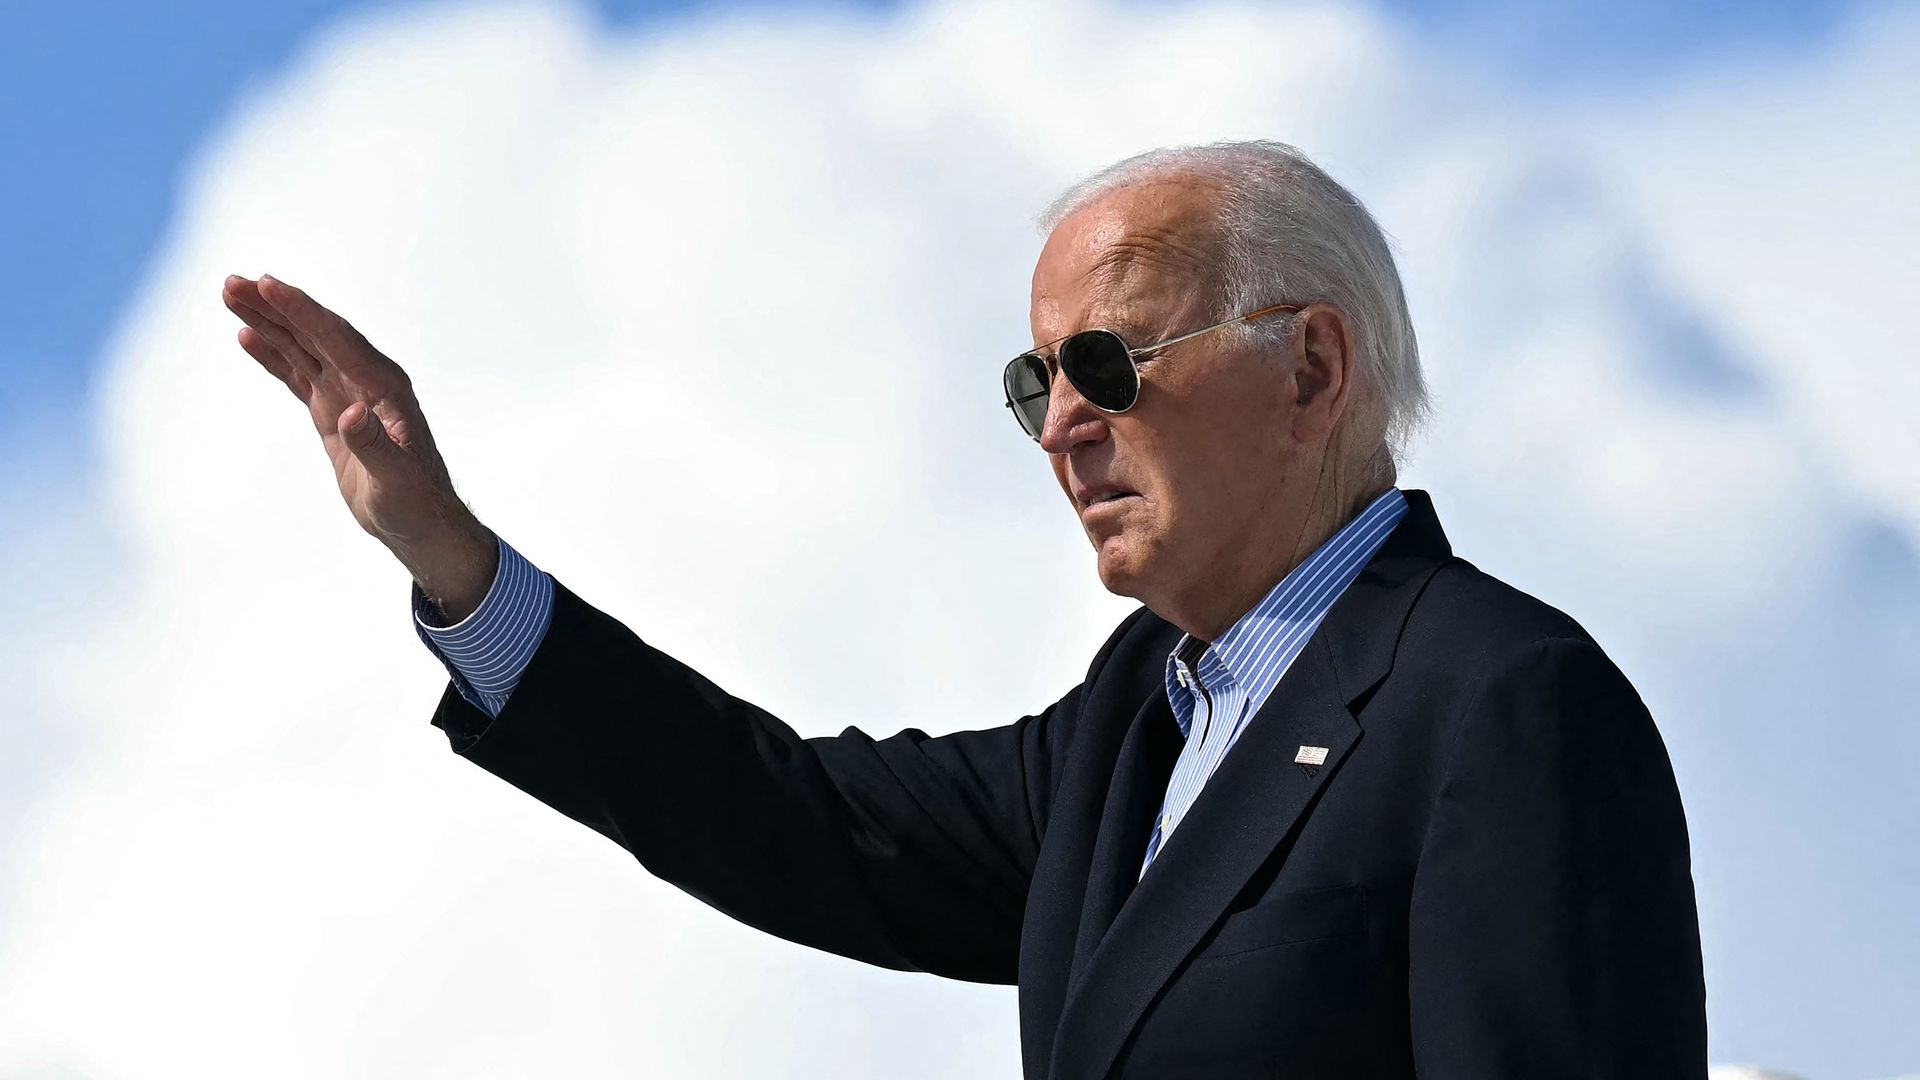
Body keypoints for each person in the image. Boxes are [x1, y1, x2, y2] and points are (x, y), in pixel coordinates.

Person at [221, 139, 1708, 1079]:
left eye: (1109, 368)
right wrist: (453, 561)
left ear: (1310, 370)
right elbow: (786, 817)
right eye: (1035, 381)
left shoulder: (1497, 701)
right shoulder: (1134, 722)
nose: (1061, 428)